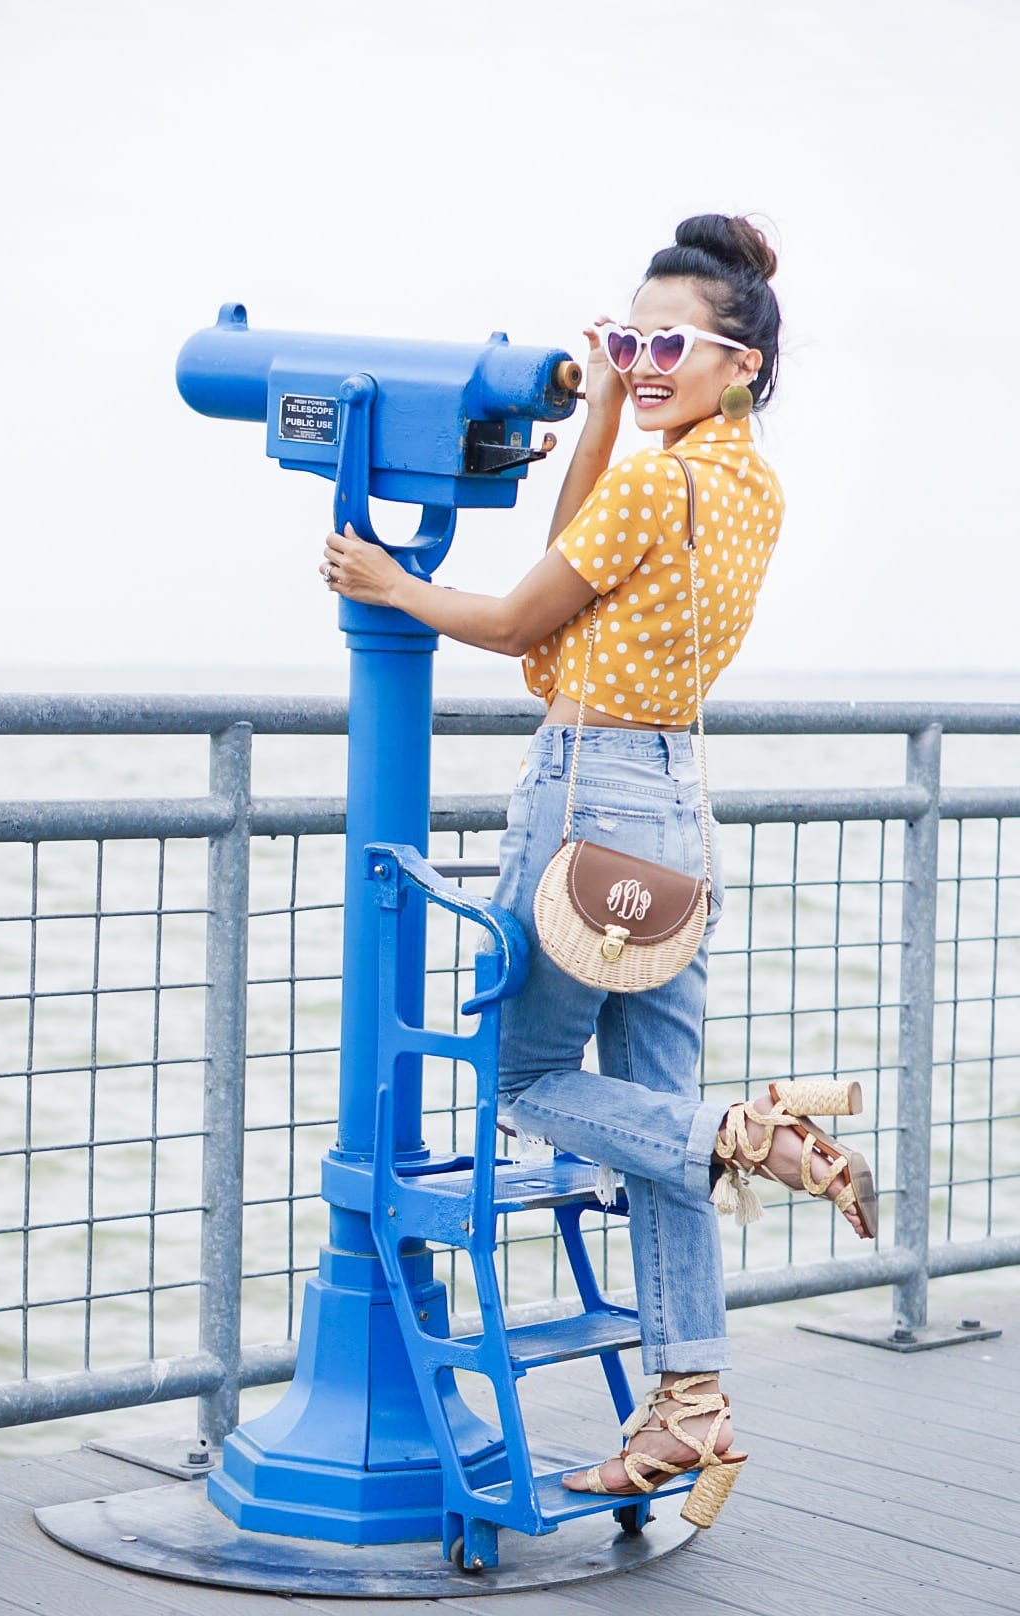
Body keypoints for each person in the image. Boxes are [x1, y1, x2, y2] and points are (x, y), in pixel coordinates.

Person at [322, 213, 876, 1529]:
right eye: (626, 339)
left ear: (736, 360)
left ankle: (743, 1135)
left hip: (589, 798)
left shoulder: (655, 484)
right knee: (648, 1124)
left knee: (525, 1080)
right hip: (680, 803)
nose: (639, 360)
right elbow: (590, 544)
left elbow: (522, 615)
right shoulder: (743, 485)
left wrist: (389, 583)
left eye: (665, 343)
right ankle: (688, 1408)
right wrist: (598, 417)